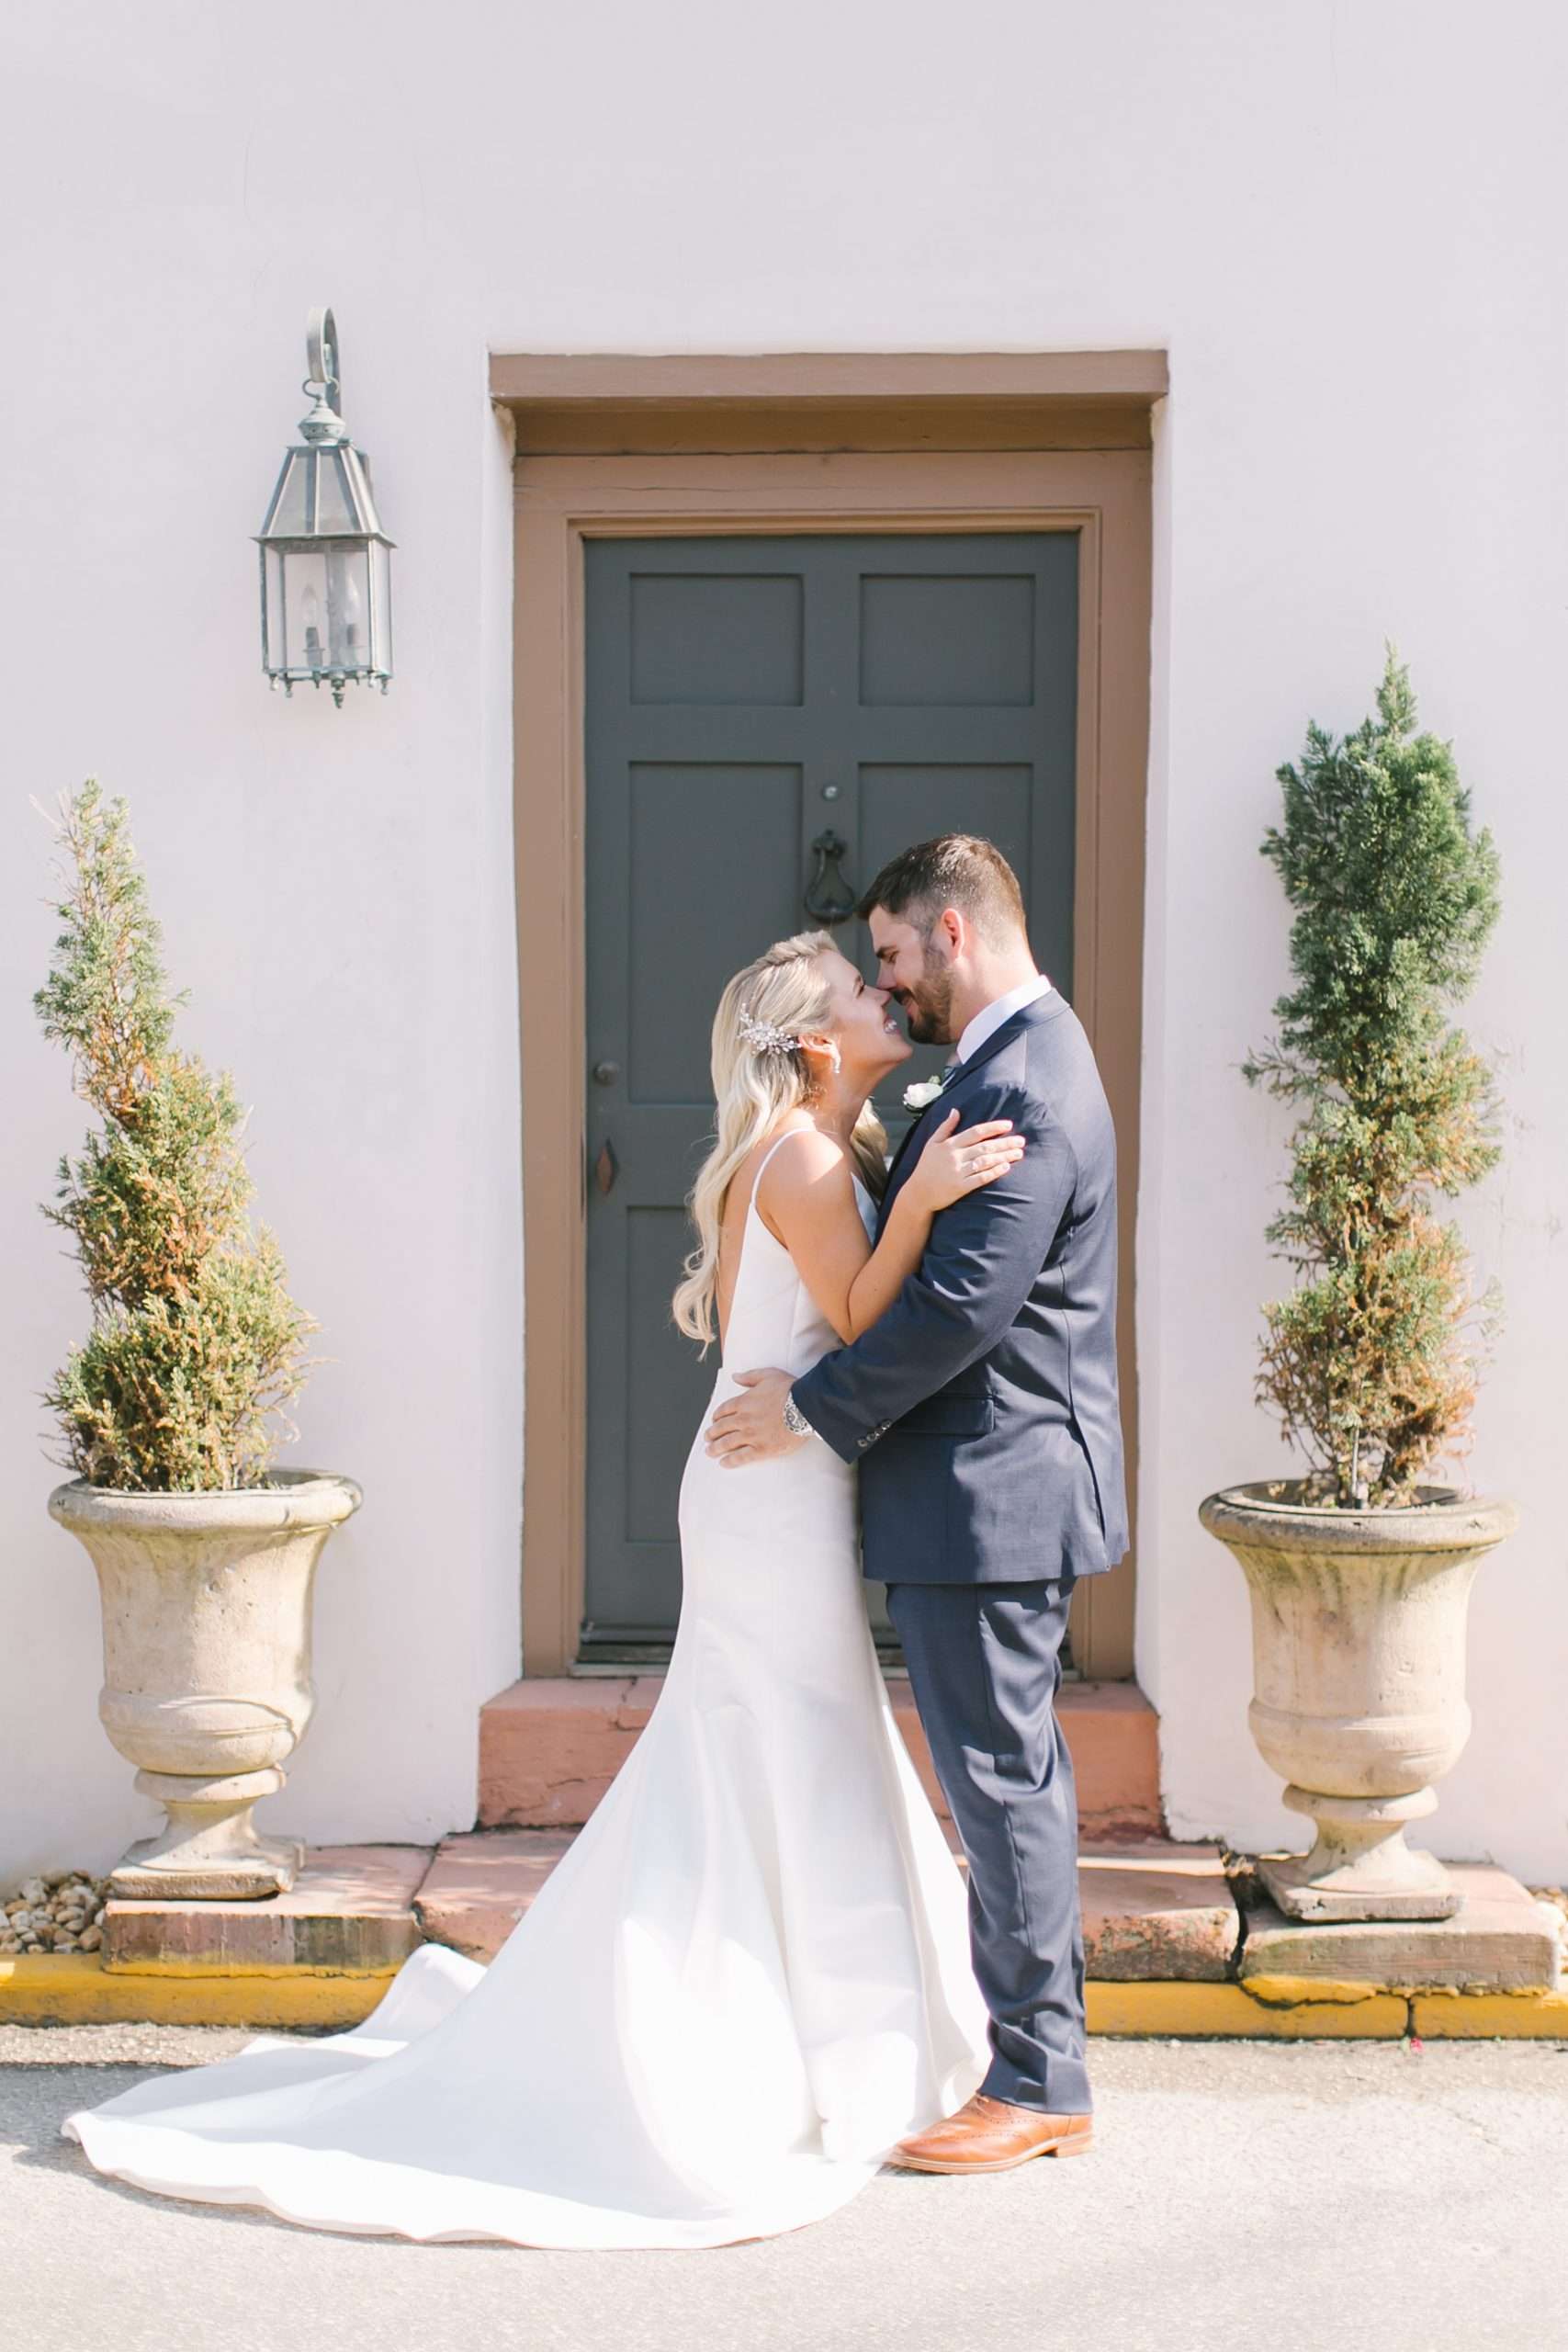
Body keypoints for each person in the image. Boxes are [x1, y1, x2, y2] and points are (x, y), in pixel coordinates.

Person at [59, 922, 1027, 2249]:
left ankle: (813, 2027)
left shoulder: (814, 1146)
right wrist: (924, 1205)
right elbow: (861, 1321)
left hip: (775, 1476)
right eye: (862, 988)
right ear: (814, 1042)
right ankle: (810, 2042)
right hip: (768, 1496)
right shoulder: (803, 1158)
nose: (886, 993)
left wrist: (906, 1196)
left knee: (780, 1739)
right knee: (785, 1740)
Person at [706, 833, 1129, 2172]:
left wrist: (810, 1410)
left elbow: (959, 1308)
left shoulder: (1027, 1083)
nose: (887, 981)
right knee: (1006, 1781)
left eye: (890, 954)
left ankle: (1040, 2081)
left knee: (1001, 1786)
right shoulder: (1008, 1065)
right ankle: (1030, 2061)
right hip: (976, 1490)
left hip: (993, 1490)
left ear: (951, 932)